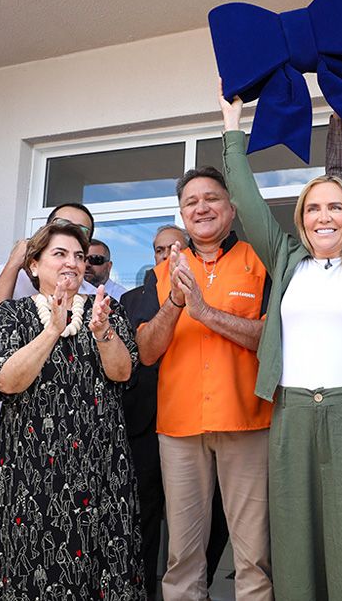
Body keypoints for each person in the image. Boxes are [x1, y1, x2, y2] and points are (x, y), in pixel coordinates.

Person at [220, 65, 342, 599]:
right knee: (296, 555)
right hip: (292, 417)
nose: (323, 216)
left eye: (335, 206)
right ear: (301, 218)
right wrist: (232, 131)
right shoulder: (286, 261)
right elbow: (245, 199)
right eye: (313, 208)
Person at [0, 221, 144, 599]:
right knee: (26, 566)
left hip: (99, 464)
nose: (72, 263)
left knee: (101, 567)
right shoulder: (10, 316)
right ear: (33, 265)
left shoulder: (107, 310)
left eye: (80, 256)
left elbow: (123, 372)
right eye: (60, 253)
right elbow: (6, 381)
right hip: (30, 469)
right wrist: (53, 328)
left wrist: (102, 332)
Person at [135, 166, 272, 601]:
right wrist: (177, 301)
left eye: (211, 198)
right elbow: (148, 351)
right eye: (191, 202)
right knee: (183, 558)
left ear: (231, 209)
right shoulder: (161, 274)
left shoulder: (260, 263)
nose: (201, 207)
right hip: (178, 427)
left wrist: (206, 312)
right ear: (182, 213)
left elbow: (273, 340)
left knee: (254, 556)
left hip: (247, 422)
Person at [0, 202, 98, 601]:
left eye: (80, 237)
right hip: (1, 428)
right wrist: (15, 263)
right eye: (63, 230)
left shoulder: (89, 296)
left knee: (55, 541)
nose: (71, 248)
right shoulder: (18, 280)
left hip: (64, 441)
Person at [120, 224, 231, 598]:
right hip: (144, 425)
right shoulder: (133, 298)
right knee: (144, 518)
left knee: (208, 522)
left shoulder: (209, 288)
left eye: (174, 246)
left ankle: (201, 586)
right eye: (158, 249)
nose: (167, 254)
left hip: (194, 422)